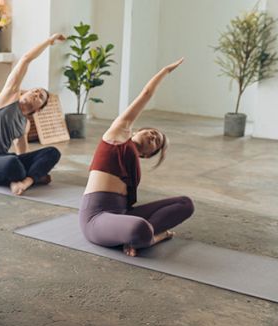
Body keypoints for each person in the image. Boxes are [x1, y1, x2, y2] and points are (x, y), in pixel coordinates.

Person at [79, 58, 194, 257]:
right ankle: (155, 236)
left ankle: (141, 236)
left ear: (146, 155)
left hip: (122, 214)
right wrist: (165, 70)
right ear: (136, 131)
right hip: (96, 218)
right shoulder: (117, 135)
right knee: (140, 228)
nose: (152, 136)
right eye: (151, 132)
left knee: (186, 203)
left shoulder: (133, 163)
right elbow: (146, 94)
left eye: (156, 142)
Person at [0, 34, 66, 195]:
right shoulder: (7, 97)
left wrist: (27, 167)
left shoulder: (25, 125)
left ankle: (26, 181)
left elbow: (23, 153)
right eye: (35, 90)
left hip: (2, 160)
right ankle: (30, 178)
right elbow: (26, 59)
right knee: (12, 162)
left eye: (40, 96)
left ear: (37, 109)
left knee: (52, 152)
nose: (35, 93)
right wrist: (49, 41)